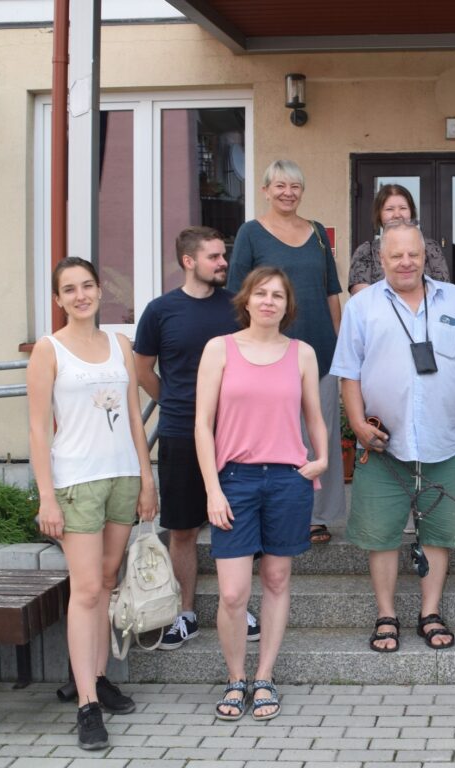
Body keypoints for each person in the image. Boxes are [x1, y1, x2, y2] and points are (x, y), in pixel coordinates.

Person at [331, 220, 455, 652]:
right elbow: (347, 373)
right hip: (383, 445)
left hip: (443, 441)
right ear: (381, 259)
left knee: (438, 531)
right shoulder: (361, 307)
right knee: (380, 534)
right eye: (396, 255)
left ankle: (430, 611)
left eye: (414, 254)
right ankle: (386, 614)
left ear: (426, 256)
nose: (406, 262)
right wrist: (358, 425)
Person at [27, 257, 157, 750]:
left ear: (100, 291)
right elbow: (39, 429)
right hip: (76, 482)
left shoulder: (119, 345)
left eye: (87, 286)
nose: (80, 295)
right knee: (84, 591)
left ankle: (98, 676)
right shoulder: (49, 349)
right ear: (58, 299)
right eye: (69, 289)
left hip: (122, 476)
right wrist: (46, 498)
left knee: (106, 581)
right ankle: (86, 704)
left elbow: (131, 420)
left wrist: (147, 478)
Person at [195, 267, 328, 722]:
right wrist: (212, 487)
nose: (269, 301)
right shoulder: (220, 349)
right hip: (235, 480)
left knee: (275, 580)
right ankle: (236, 678)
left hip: (288, 481)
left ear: (287, 306)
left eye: (278, 295)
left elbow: (315, 415)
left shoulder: (302, 353)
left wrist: (323, 457)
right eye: (261, 293)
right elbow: (201, 425)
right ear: (246, 300)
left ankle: (265, 676)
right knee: (233, 593)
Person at [134, 227, 261, 650]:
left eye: (223, 256)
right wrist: (173, 403)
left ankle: (237, 605)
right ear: (189, 261)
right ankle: (184, 613)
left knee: (238, 522)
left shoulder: (236, 308)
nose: (223, 263)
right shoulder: (160, 311)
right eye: (214, 257)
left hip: (235, 434)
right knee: (184, 528)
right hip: (181, 435)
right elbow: (142, 370)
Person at [228, 160, 343, 546]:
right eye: (280, 186)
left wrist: (340, 342)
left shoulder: (316, 234)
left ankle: (317, 516)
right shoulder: (251, 233)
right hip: (267, 351)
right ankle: (273, 512)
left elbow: (331, 291)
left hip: (320, 350)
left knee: (318, 434)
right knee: (273, 434)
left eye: (295, 186)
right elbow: (238, 296)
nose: (288, 192)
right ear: (265, 190)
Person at [348, 183, 449, 294]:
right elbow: (363, 299)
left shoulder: (430, 247)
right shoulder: (366, 251)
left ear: (411, 212)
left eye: (403, 208)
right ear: (379, 214)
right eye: (389, 209)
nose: (397, 214)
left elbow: (442, 290)